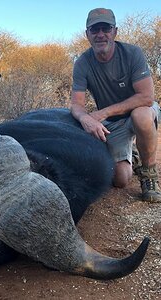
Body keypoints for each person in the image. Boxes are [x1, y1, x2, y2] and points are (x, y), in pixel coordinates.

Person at [71, 7, 161, 202]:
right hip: (114, 123)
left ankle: (149, 175)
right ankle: (134, 156)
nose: (101, 34)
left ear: (115, 31)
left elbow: (146, 97)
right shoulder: (82, 63)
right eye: (95, 30)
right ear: (87, 34)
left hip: (141, 111)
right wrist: (86, 118)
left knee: (141, 115)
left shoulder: (132, 53)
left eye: (106, 28)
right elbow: (76, 105)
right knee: (120, 179)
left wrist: (101, 113)